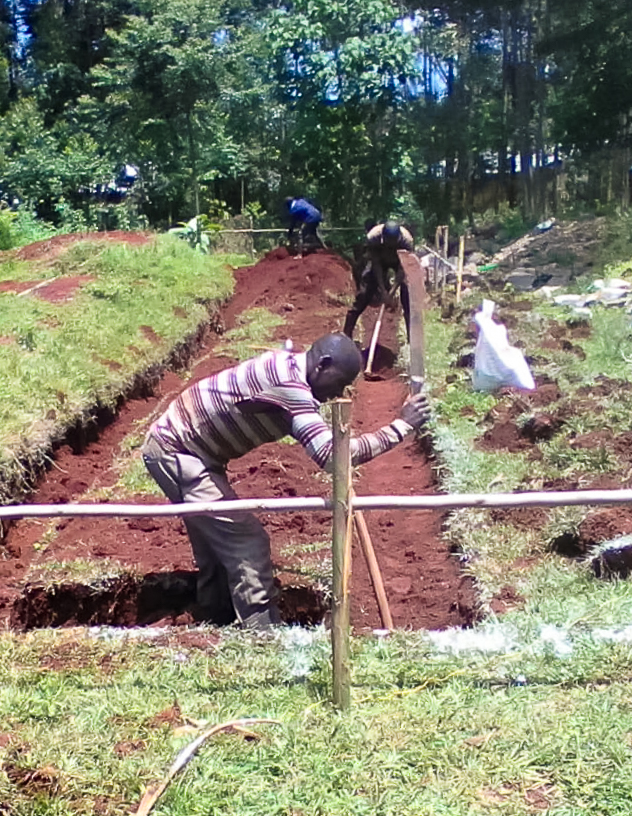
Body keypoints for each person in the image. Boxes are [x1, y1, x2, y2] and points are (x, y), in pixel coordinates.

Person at [142, 332, 431, 629]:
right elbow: (332, 456)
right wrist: (401, 426)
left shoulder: (289, 365)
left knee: (217, 544)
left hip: (193, 451)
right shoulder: (292, 389)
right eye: (340, 383)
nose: (338, 393)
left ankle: (215, 618)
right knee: (246, 542)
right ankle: (263, 636)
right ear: (323, 365)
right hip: (176, 451)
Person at [343, 220, 413, 341]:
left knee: (408, 296)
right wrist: (383, 290)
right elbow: (376, 264)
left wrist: (391, 293)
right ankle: (346, 335)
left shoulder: (407, 240)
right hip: (380, 260)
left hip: (399, 261)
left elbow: (402, 269)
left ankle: (411, 339)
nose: (390, 246)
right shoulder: (373, 237)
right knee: (364, 294)